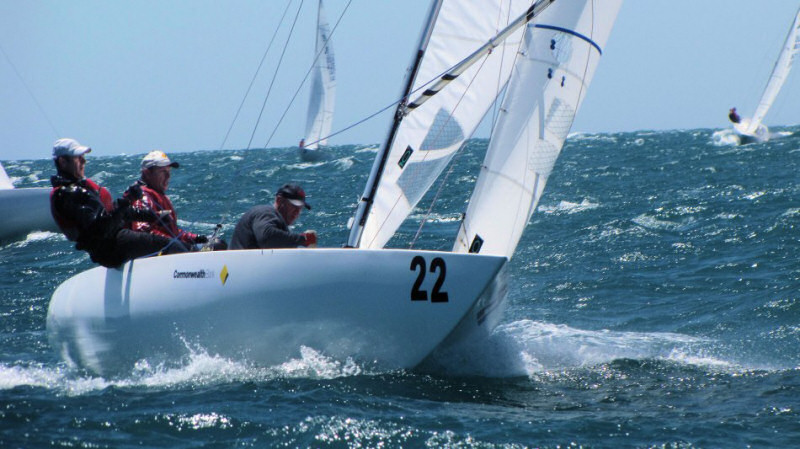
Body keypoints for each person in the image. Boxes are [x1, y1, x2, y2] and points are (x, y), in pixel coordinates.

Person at [49, 138, 177, 268]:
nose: (84, 161)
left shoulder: (78, 189)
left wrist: (153, 216)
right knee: (171, 245)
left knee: (172, 244)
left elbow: (113, 213)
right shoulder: (68, 194)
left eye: (83, 157)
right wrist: (128, 200)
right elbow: (101, 229)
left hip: (116, 242)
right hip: (111, 251)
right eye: (78, 158)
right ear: (63, 162)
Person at [124, 150, 221, 251]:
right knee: (215, 247)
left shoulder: (156, 194)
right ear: (147, 173)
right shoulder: (142, 196)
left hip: (168, 247)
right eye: (163, 172)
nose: (168, 177)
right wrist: (176, 244)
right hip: (153, 254)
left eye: (169, 172)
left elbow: (173, 232)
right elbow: (142, 232)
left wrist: (196, 238)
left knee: (217, 244)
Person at [229, 183, 317, 249]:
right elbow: (267, 237)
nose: (297, 211)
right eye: (294, 206)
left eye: (300, 208)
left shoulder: (280, 227)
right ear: (279, 201)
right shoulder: (265, 212)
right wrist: (303, 239)